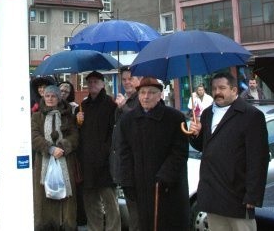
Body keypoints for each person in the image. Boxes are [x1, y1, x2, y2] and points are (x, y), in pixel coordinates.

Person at [189, 72, 269, 231]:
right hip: (213, 194)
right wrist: (195, 134)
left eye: (222, 88)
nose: (217, 92)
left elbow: (259, 158)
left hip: (237, 195)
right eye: (214, 88)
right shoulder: (207, 114)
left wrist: (253, 195)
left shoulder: (251, 115)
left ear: (234, 90)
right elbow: (205, 147)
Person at [118, 77, 189, 231]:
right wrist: (127, 181)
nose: (146, 96)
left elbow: (180, 152)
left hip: (168, 187)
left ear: (160, 95)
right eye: (142, 92)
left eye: (151, 92)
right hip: (141, 187)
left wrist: (165, 176)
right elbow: (124, 154)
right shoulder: (128, 120)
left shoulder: (175, 118)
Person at [76, 71, 120, 231]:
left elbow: (114, 134)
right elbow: (78, 135)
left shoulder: (111, 105)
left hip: (105, 163)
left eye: (96, 82)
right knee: (90, 202)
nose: (92, 84)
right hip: (86, 162)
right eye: (90, 82)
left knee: (110, 203)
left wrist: (104, 152)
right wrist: (78, 122)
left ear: (103, 84)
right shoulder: (83, 106)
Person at [31, 84, 79, 231]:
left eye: (53, 96)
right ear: (43, 98)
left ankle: (67, 225)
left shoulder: (68, 115)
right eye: (47, 96)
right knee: (44, 197)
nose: (50, 99)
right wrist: (50, 149)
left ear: (59, 98)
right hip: (43, 164)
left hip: (65, 162)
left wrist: (63, 147)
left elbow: (75, 136)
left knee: (66, 198)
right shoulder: (36, 116)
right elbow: (34, 137)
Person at [111, 68, 141, 231]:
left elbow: (139, 123)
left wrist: (123, 108)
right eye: (124, 80)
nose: (127, 82)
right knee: (132, 214)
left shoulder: (140, 99)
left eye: (131, 78)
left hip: (137, 166)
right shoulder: (124, 100)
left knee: (138, 216)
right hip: (124, 165)